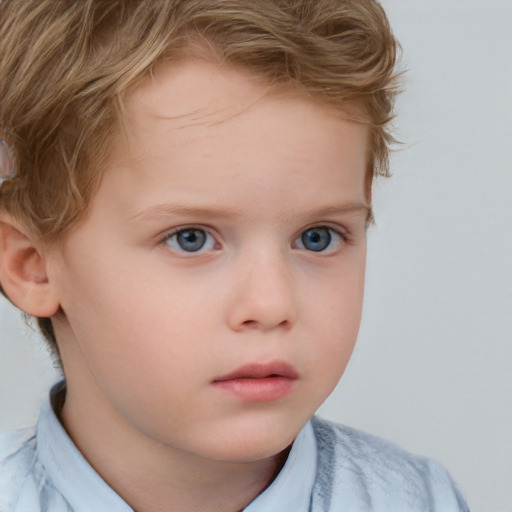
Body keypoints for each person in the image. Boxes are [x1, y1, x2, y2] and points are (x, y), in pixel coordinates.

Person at [0, 1, 470, 510]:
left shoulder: (419, 499)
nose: (271, 305)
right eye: (191, 239)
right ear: (33, 265)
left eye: (317, 237)